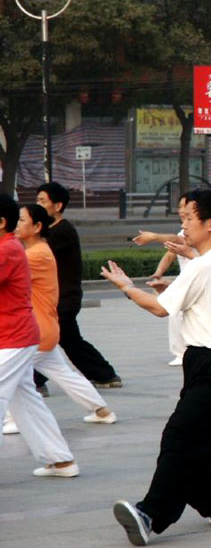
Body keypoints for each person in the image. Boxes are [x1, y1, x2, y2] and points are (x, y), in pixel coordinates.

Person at [102, 189, 211, 545]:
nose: (182, 226)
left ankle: (150, 514)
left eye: (187, 219)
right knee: (195, 446)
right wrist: (182, 273)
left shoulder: (205, 265)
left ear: (210, 224)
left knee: (179, 439)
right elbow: (204, 294)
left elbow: (158, 308)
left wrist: (125, 286)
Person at [4, 205, 117, 434]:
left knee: (13, 377)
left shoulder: (33, 255)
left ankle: (14, 420)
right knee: (62, 373)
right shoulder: (38, 251)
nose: (16, 225)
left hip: (35, 329)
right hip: (45, 327)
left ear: (37, 227)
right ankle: (102, 410)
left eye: (21, 220)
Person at [0, 194, 79, 478]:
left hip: (15, 337)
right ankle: (61, 460)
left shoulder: (8, 249)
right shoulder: (8, 246)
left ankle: (60, 459)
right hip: (13, 337)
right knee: (25, 400)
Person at [36, 182, 122, 388]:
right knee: (64, 340)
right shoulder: (49, 231)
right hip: (55, 298)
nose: (38, 205)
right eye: (37, 200)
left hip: (65, 298)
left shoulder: (61, 231)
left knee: (58, 340)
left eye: (42, 201)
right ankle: (104, 375)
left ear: (57, 206)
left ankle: (104, 375)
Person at [132, 193, 193, 367]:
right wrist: (158, 273)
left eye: (185, 207)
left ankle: (186, 351)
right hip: (184, 281)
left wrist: (154, 237)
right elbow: (170, 253)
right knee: (175, 315)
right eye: (179, 207)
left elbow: (176, 240)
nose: (181, 211)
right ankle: (181, 352)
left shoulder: (195, 233)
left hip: (196, 281)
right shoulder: (184, 231)